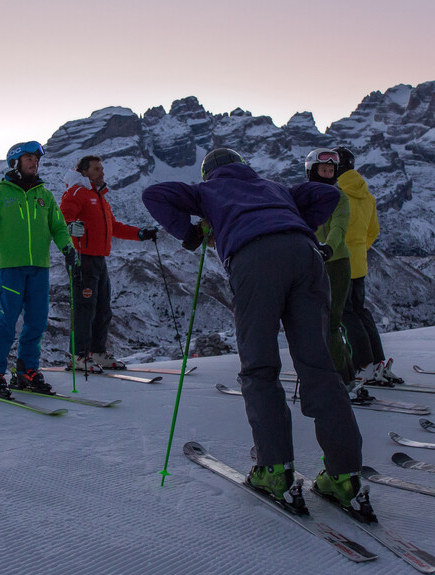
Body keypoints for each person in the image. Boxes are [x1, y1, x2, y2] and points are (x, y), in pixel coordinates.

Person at [141, 148, 370, 518]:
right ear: (244, 166)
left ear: (208, 173)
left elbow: (155, 195)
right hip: (306, 256)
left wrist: (192, 232)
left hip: (254, 261)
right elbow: (329, 194)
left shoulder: (208, 190)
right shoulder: (274, 186)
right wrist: (297, 220)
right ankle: (344, 476)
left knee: (260, 368)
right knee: (319, 368)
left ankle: (275, 470)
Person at [0, 141, 77, 397]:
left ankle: (26, 371)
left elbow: (58, 227)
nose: (34, 163)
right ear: (16, 162)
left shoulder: (44, 195)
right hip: (11, 267)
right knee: (8, 319)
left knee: (37, 320)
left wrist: (67, 247)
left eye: (36, 159)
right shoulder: (0, 194)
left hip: (40, 268)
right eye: (29, 158)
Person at [60, 155, 158, 372]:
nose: (102, 172)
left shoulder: (100, 196)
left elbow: (114, 227)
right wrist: (70, 227)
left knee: (103, 308)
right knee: (85, 308)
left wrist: (140, 234)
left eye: (101, 168)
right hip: (82, 257)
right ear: (84, 172)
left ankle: (97, 353)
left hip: (99, 258)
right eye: (96, 169)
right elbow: (62, 220)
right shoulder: (77, 192)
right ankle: (78, 356)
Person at [335, 147, 397, 385]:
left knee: (345, 315)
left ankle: (363, 365)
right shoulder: (366, 194)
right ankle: (377, 361)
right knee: (360, 311)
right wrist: (360, 248)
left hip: (339, 262)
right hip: (360, 263)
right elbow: (374, 231)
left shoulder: (337, 192)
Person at [304, 149, 355, 386]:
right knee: (316, 322)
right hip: (312, 261)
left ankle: (342, 379)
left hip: (336, 263)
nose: (327, 174)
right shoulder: (304, 196)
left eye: (331, 170)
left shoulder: (340, 197)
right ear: (312, 172)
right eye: (323, 170)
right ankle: (342, 372)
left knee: (332, 322)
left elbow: (339, 227)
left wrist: (328, 248)